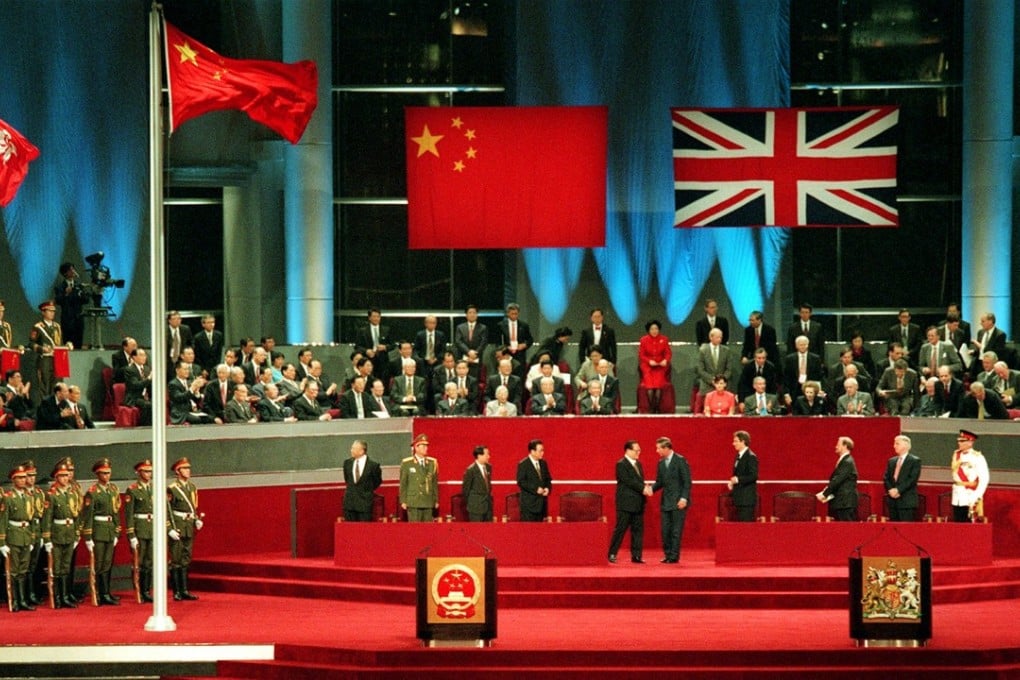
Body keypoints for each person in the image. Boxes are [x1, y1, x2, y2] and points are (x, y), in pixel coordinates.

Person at [82, 458, 122, 605]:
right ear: (98, 475)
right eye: (103, 473)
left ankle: (106, 592)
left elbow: (116, 511)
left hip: (110, 529)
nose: (107, 476)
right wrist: (88, 537)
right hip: (98, 530)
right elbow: (88, 515)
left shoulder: (113, 490)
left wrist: (117, 531)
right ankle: (100, 592)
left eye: (108, 473)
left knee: (108, 563)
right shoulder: (92, 493)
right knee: (99, 564)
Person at [41, 461, 80, 609]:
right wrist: (47, 538)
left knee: (65, 567)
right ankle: (56, 597)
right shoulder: (51, 495)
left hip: (69, 532)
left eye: (66, 475)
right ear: (56, 477)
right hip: (57, 534)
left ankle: (65, 597)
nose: (65, 478)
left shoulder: (71, 493)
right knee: (56, 568)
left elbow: (75, 516)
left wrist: (76, 535)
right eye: (62, 476)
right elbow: (47, 518)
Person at [1, 464, 39, 611]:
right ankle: (16, 600)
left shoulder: (28, 497)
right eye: (20, 478)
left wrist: (31, 537)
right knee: (15, 570)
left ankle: (23, 600)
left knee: (24, 569)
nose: (23, 480)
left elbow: (32, 519)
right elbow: (3, 520)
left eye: (25, 477)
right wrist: (2, 542)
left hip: (25, 535)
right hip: (14, 535)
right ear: (13, 480)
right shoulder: (8, 498)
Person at [608, 440, 651, 563]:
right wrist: (643, 488)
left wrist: (646, 487)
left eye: (639, 450)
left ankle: (636, 555)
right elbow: (628, 481)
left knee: (638, 531)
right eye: (636, 450)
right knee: (620, 529)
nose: (638, 452)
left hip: (638, 503)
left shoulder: (638, 464)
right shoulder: (621, 464)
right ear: (628, 450)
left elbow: (638, 481)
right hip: (625, 504)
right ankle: (612, 553)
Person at [651, 437, 691, 563]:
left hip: (678, 502)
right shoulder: (661, 463)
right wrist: (649, 489)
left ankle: (674, 556)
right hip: (666, 502)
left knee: (676, 531)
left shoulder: (680, 460)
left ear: (666, 448)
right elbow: (660, 482)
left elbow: (687, 482)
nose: (657, 451)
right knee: (665, 531)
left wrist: (684, 498)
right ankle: (668, 554)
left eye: (658, 448)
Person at [168, 457, 202, 601]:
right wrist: (169, 528)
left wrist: (196, 519)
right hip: (178, 525)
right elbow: (167, 510)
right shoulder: (172, 488)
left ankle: (185, 590)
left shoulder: (192, 487)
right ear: (177, 471)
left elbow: (193, 507)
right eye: (184, 468)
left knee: (186, 558)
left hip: (188, 525)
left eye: (188, 468)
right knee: (176, 559)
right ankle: (176, 591)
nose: (188, 471)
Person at [123, 459, 155, 603]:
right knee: (139, 561)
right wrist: (131, 534)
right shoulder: (133, 489)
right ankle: (138, 589)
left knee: (149, 561)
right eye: (146, 471)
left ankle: (147, 590)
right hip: (140, 528)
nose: (149, 474)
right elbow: (128, 514)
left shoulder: (154, 488)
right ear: (139, 472)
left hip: (152, 528)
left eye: (150, 471)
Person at [950, 429, 990, 522]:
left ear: (970, 442)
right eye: (959, 441)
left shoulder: (977, 457)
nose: (959, 443)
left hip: (970, 495)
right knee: (958, 525)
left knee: (968, 526)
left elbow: (984, 478)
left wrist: (977, 496)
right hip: (957, 495)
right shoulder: (956, 454)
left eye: (962, 441)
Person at [816, 436, 859, 521]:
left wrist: (825, 494)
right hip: (842, 503)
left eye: (838, 444)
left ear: (845, 446)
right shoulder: (845, 460)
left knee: (846, 530)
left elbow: (837, 480)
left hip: (845, 503)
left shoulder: (847, 462)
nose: (836, 447)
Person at [399, 434, 438, 522]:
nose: (426, 448)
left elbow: (434, 483)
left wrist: (436, 500)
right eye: (423, 446)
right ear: (416, 447)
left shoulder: (432, 463)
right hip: (413, 501)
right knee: (414, 529)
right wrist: (403, 500)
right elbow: (403, 483)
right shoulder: (407, 463)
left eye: (426, 446)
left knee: (428, 529)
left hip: (428, 500)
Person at [29, 300, 64, 397]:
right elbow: (31, 344)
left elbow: (59, 343)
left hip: (57, 358)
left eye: (53, 311)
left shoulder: (57, 327)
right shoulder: (38, 327)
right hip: (45, 359)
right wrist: (41, 348)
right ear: (43, 312)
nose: (52, 313)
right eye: (49, 311)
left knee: (57, 384)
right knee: (45, 384)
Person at [342, 440, 382, 522]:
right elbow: (347, 479)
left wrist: (366, 490)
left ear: (361, 451)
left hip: (365, 505)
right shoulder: (347, 463)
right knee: (350, 532)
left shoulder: (373, 466)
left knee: (363, 532)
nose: (351, 450)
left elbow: (377, 482)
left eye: (353, 448)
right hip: (349, 504)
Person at [883, 435, 921, 521]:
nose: (894, 446)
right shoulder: (891, 461)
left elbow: (912, 479)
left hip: (906, 502)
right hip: (892, 501)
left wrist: (898, 490)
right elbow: (886, 478)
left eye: (897, 444)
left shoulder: (914, 461)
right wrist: (891, 491)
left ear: (905, 445)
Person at [638, 320, 671, 413]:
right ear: (648, 330)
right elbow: (641, 355)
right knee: (650, 387)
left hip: (660, 366)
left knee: (658, 387)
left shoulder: (664, 339)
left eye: (656, 328)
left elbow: (668, 353)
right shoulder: (643, 340)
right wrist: (649, 361)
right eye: (652, 329)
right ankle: (651, 407)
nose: (654, 331)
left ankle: (657, 407)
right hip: (648, 366)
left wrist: (665, 360)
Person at [54, 263, 89, 350]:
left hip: (78, 319)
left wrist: (83, 294)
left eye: (73, 269)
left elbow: (86, 300)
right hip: (67, 320)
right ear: (65, 273)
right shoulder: (60, 287)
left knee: (78, 343)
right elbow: (58, 300)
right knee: (68, 344)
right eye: (70, 270)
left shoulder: (78, 285)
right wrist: (66, 293)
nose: (73, 271)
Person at [782, 335, 826, 404]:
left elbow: (819, 376)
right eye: (800, 345)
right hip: (794, 391)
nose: (803, 346)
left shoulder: (815, 358)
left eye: (804, 344)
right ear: (796, 346)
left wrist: (820, 390)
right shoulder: (790, 359)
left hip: (811, 391)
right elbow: (786, 378)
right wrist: (786, 393)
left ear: (808, 345)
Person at [516, 439, 551, 522]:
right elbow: (521, 481)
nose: (542, 453)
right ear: (532, 451)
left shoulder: (543, 463)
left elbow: (548, 479)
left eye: (543, 450)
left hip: (542, 505)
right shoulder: (523, 464)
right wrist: (535, 489)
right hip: (529, 506)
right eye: (540, 451)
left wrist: (547, 488)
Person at [728, 431, 758, 522]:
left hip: (746, 500)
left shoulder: (750, 456)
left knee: (746, 529)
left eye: (736, 441)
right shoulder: (739, 456)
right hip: (740, 499)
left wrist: (737, 479)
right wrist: (732, 482)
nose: (733, 444)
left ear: (743, 441)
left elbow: (754, 476)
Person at [169, 360, 211, 425]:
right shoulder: (173, 384)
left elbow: (197, 400)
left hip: (191, 411)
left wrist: (196, 392)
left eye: (188, 369)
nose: (187, 371)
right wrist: (192, 388)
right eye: (185, 369)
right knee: (197, 420)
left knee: (209, 418)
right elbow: (180, 398)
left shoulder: (188, 382)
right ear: (177, 370)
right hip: (180, 413)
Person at [497, 303, 534, 378]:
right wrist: (506, 348)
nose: (514, 315)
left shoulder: (524, 325)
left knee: (519, 377)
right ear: (508, 313)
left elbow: (530, 340)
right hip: (506, 354)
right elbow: (497, 342)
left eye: (516, 314)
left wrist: (524, 345)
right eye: (512, 313)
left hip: (520, 355)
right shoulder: (501, 325)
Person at [697, 328, 734, 398]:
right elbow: (700, 370)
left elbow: (729, 369)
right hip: (707, 386)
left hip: (723, 387)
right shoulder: (703, 351)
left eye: (721, 337)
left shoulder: (726, 351)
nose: (720, 339)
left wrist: (721, 381)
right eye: (717, 337)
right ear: (711, 337)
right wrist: (712, 380)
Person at [461, 445, 493, 522]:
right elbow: (466, 490)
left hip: (487, 507)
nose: (489, 456)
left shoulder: (489, 467)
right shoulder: (470, 470)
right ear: (479, 456)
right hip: (475, 508)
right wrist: (472, 504)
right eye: (487, 454)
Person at [453, 304, 488, 374]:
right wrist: (468, 352)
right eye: (470, 312)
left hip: (476, 358)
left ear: (477, 314)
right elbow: (458, 341)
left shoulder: (483, 328)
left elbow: (483, 342)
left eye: (474, 313)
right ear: (466, 315)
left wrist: (475, 354)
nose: (472, 315)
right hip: (463, 358)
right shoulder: (460, 327)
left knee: (475, 380)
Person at [123, 348, 153, 426]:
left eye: (145, 355)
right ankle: (144, 427)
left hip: (146, 396)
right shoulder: (129, 370)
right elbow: (136, 385)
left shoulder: (147, 369)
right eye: (141, 355)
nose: (144, 357)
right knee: (148, 405)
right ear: (134, 357)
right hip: (134, 397)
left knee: (157, 403)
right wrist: (149, 379)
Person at [413, 314, 447, 379]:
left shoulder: (441, 335)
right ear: (425, 324)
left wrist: (436, 359)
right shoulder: (420, 335)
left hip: (437, 362)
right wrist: (421, 359)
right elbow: (416, 350)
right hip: (423, 362)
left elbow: (443, 350)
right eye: (430, 323)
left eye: (434, 323)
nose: (432, 325)